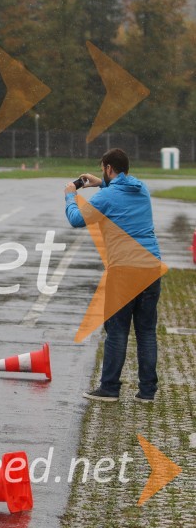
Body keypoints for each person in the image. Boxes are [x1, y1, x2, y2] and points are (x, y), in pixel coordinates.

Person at [64, 148, 162, 403]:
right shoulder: (141, 189)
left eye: (102, 169)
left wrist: (70, 196)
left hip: (124, 270)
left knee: (117, 330)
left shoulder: (107, 196)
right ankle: (147, 392)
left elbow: (76, 220)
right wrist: (101, 184)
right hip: (151, 267)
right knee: (146, 331)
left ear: (108, 168)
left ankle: (109, 388)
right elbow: (119, 191)